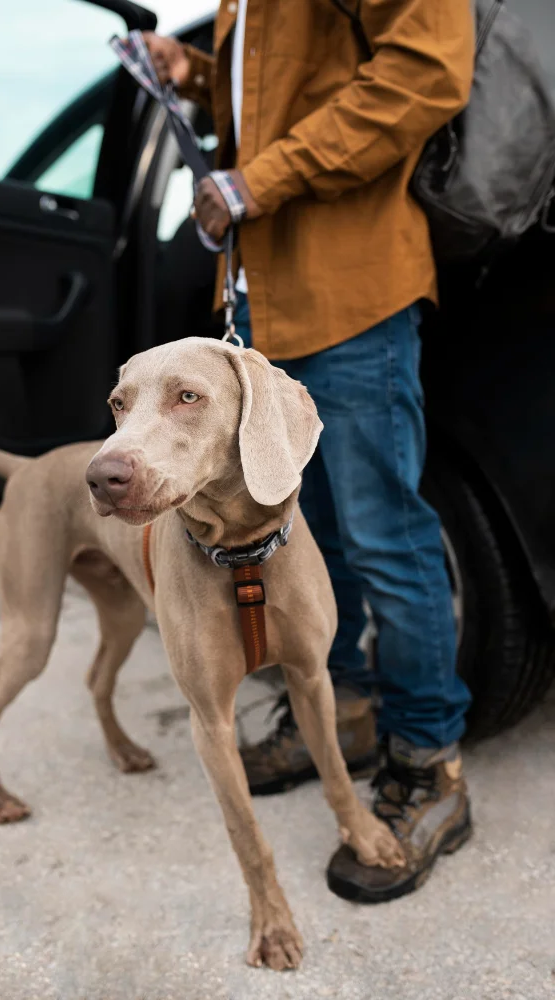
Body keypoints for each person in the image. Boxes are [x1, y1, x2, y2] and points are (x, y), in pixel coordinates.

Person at [145, 0, 474, 903]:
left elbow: (428, 69)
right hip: (263, 303)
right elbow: (278, 90)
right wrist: (195, 73)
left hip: (351, 292)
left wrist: (260, 181)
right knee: (306, 532)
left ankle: (430, 765)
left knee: (381, 534)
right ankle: (346, 715)